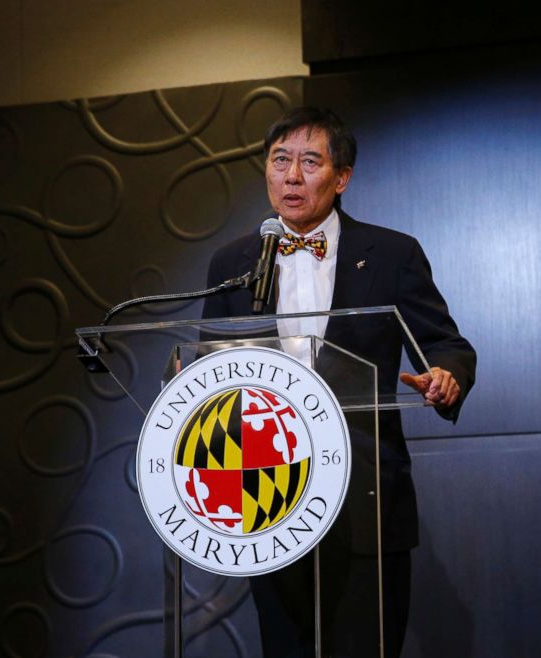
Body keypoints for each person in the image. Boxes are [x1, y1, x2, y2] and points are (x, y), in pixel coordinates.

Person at [202, 106, 476, 657]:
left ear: (342, 177)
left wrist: (446, 376)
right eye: (280, 161)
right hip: (267, 495)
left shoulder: (393, 254)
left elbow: (447, 344)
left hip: (365, 489)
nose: (291, 177)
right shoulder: (233, 261)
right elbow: (211, 358)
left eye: (309, 162)